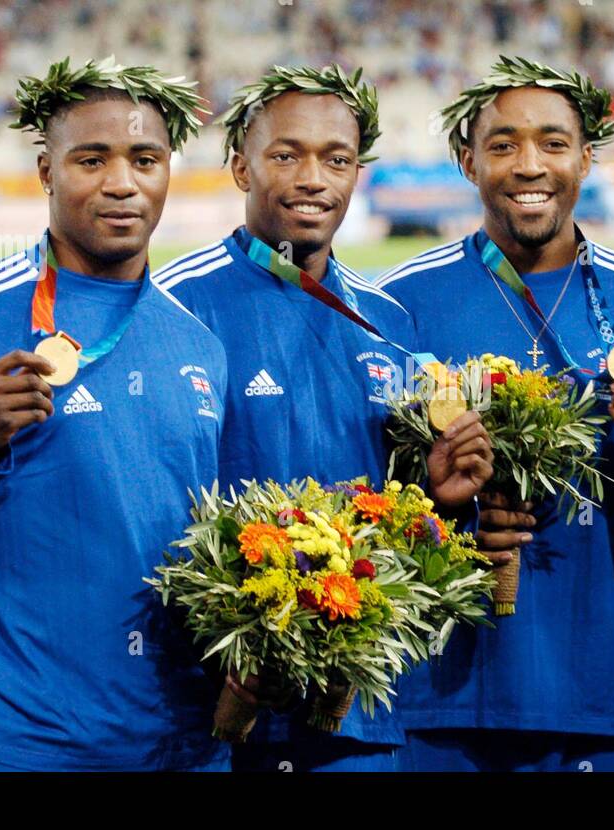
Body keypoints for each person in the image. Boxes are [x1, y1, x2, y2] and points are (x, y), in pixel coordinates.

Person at [0, 58, 231, 771]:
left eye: (145, 158)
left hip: (180, 748)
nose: (122, 182)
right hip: (14, 745)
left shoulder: (198, 341)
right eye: (92, 158)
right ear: (45, 170)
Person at [155, 64, 494, 772]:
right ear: (240, 167)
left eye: (336, 159)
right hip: (214, 718)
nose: (314, 177)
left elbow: (408, 521)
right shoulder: (171, 308)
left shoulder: (391, 323)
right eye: (287, 155)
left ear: (358, 172)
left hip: (355, 724)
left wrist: (441, 499)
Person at [376, 57, 614, 771]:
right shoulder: (396, 305)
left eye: (553, 143)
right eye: (502, 145)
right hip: (442, 703)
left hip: (603, 697)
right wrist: (441, 513)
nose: (529, 166)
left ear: (586, 158)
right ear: (467, 161)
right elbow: (372, 507)